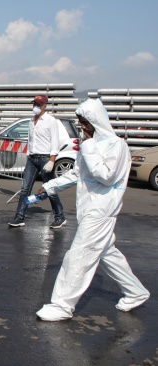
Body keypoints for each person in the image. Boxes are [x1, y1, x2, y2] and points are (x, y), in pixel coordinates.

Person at [36, 98, 150, 321]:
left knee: (78, 255)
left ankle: (62, 305)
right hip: (89, 209)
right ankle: (136, 292)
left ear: (96, 121)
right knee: (108, 254)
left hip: (102, 211)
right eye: (80, 122)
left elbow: (106, 176)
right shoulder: (91, 144)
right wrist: (49, 186)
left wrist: (88, 146)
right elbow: (77, 174)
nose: (82, 127)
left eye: (85, 122)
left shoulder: (117, 146)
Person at [8, 95, 66, 228]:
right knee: (24, 189)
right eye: (34, 104)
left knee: (49, 189)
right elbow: (31, 140)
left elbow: (55, 142)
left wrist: (52, 160)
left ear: (45, 106)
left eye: (38, 105)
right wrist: (29, 155)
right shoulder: (31, 120)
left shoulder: (51, 121)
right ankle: (20, 217)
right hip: (33, 159)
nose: (35, 107)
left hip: (45, 158)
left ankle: (59, 216)